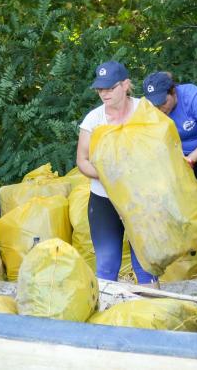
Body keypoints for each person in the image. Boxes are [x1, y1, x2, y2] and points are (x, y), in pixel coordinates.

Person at [76, 61, 157, 286]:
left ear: (125, 85)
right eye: (100, 89)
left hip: (141, 198)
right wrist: (110, 176)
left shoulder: (145, 111)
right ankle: (105, 317)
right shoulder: (93, 119)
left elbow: (162, 149)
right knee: (107, 263)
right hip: (104, 199)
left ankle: (152, 316)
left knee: (145, 262)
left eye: (110, 88)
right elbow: (82, 161)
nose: (104, 94)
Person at [142, 71, 197, 255]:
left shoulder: (192, 97)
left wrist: (191, 159)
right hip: (179, 153)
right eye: (155, 104)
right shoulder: (150, 109)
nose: (160, 109)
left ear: (173, 92)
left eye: (163, 102)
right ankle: (191, 254)